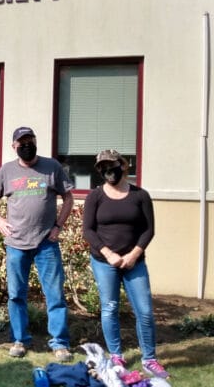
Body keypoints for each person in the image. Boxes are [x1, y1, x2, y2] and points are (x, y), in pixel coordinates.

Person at [0, 126, 74, 361]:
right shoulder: (6, 171)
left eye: (30, 141)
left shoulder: (52, 167)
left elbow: (68, 197)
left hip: (46, 242)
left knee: (55, 295)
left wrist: (58, 226)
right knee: (16, 295)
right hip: (16, 244)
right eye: (21, 142)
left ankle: (60, 343)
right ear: (14, 146)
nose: (26, 145)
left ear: (36, 141)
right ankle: (19, 340)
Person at [82, 149, 170, 379]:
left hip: (134, 263)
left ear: (123, 164)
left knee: (145, 312)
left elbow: (149, 229)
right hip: (104, 262)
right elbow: (88, 231)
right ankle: (116, 355)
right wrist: (108, 253)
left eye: (112, 165)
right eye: (102, 167)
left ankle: (149, 359)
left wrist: (133, 255)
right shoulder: (95, 196)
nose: (107, 170)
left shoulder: (140, 195)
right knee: (110, 308)